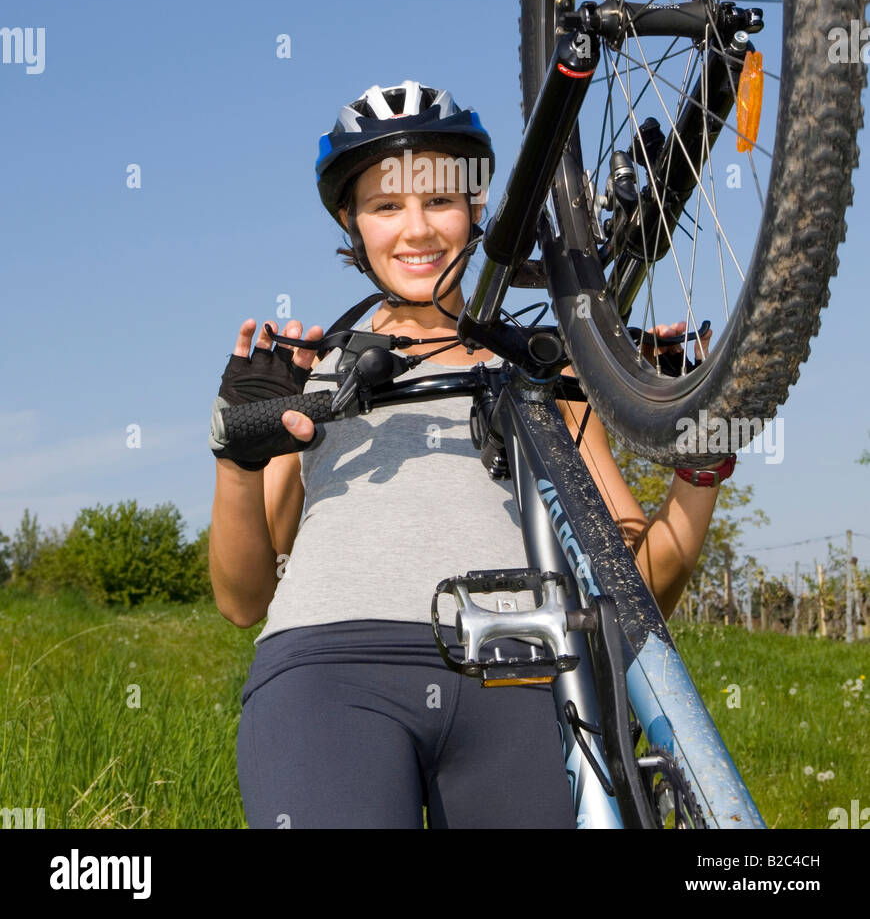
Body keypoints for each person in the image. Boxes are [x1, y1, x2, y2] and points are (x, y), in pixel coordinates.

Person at [209, 80, 732, 829]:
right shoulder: (312, 372)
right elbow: (241, 601)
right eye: (386, 206)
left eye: (439, 200)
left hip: (524, 673)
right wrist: (238, 450)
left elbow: (634, 588)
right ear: (352, 223)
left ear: (477, 209)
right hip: (330, 669)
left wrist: (700, 462)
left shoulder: (543, 368)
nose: (417, 229)